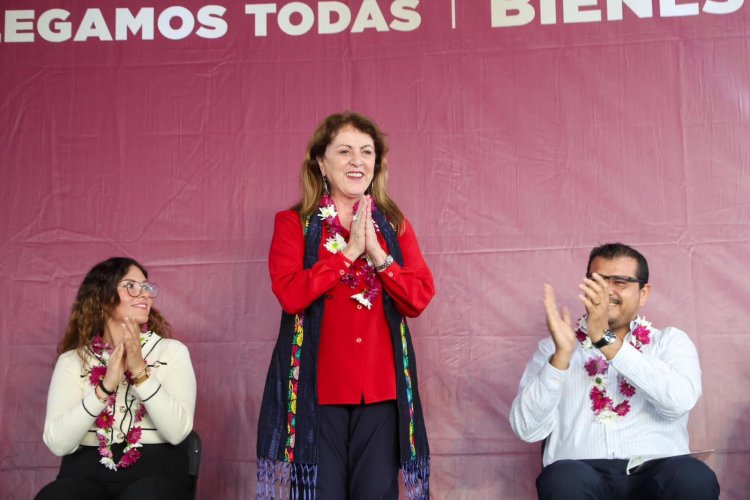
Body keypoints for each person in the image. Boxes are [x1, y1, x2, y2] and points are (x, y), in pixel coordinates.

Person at [256, 112, 434, 500]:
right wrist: (348, 254)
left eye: (367, 152)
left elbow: (418, 297)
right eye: (345, 151)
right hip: (315, 394)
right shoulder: (293, 224)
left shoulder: (394, 226)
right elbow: (290, 294)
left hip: (381, 393)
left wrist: (378, 255)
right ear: (321, 161)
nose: (358, 161)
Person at [509, 243, 719, 499]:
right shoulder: (554, 347)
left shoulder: (669, 342)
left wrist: (605, 341)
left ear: (643, 293)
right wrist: (560, 358)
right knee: (564, 479)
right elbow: (527, 429)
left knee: (692, 477)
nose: (607, 290)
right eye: (597, 281)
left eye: (620, 282)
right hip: (580, 476)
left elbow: (678, 402)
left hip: (659, 474)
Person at [36, 257, 197, 500]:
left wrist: (140, 373)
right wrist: (105, 387)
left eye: (147, 287)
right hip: (84, 473)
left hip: (157, 473)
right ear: (103, 297)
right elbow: (58, 444)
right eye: (131, 286)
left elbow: (177, 432)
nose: (144, 294)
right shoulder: (72, 360)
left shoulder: (172, 352)